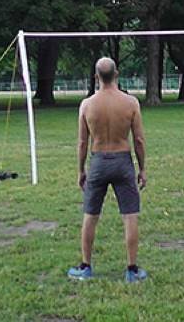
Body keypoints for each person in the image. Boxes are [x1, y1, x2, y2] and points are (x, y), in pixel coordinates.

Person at [68, 57, 148, 283]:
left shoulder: (87, 105)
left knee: (90, 215)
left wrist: (81, 170)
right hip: (123, 162)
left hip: (98, 162)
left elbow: (82, 143)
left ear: (96, 77)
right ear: (117, 74)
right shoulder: (131, 103)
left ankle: (86, 267)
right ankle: (132, 270)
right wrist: (142, 169)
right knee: (130, 215)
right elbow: (139, 140)